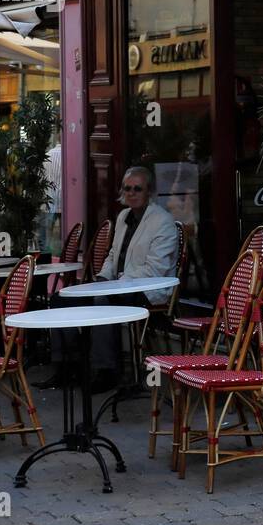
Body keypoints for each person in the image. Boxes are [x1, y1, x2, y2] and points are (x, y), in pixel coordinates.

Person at [49, 166, 179, 393]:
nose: (131, 193)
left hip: (149, 290)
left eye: (137, 189)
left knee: (101, 302)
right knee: (61, 299)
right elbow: (112, 255)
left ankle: (106, 371)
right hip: (118, 285)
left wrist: (116, 283)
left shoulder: (162, 222)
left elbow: (156, 270)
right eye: (127, 188)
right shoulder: (123, 217)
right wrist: (102, 277)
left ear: (149, 191)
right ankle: (69, 367)